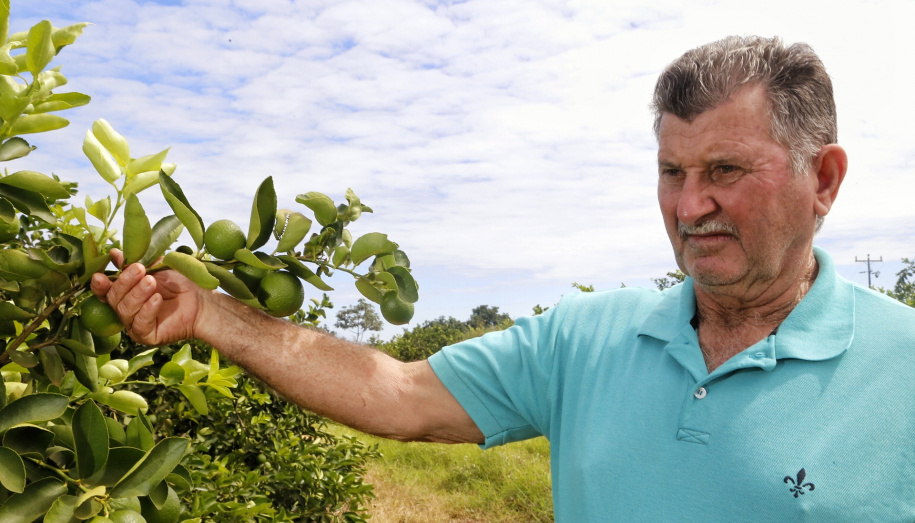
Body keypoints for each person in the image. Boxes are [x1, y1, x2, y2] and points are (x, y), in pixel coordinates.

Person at [92, 36, 915, 521]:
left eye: (725, 168)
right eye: (671, 170)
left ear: (824, 179)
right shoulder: (588, 334)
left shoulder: (902, 366)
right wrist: (211, 314)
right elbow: (399, 391)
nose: (689, 204)